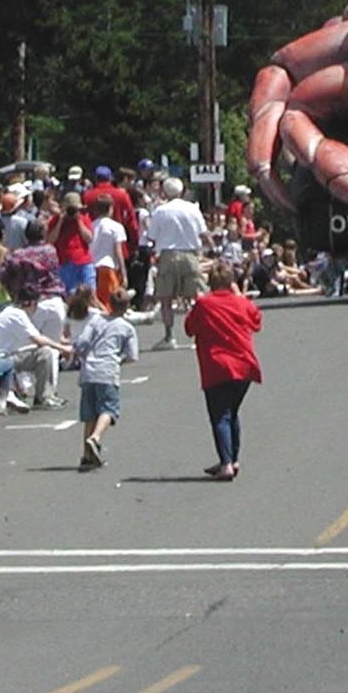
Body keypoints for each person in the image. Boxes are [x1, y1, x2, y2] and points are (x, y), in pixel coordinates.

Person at [187, 261, 261, 482]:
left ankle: (227, 463)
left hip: (216, 366)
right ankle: (231, 458)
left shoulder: (204, 304)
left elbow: (190, 329)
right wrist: (240, 296)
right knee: (231, 413)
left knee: (220, 415)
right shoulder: (240, 303)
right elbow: (256, 321)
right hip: (243, 365)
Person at [67, 281, 138, 472]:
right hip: (107, 371)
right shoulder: (127, 328)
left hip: (89, 371)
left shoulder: (96, 320)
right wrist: (118, 359)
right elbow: (132, 356)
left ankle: (86, 455)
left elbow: (81, 343)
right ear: (127, 307)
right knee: (108, 409)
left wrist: (81, 356)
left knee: (89, 414)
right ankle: (96, 438)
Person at [145, 177, 210, 344]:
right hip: (190, 254)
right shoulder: (192, 209)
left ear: (165, 192)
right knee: (197, 295)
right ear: (182, 191)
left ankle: (169, 336)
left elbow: (151, 237)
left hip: (167, 255)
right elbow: (203, 232)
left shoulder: (160, 211)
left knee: (166, 297)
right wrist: (212, 249)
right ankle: (201, 333)